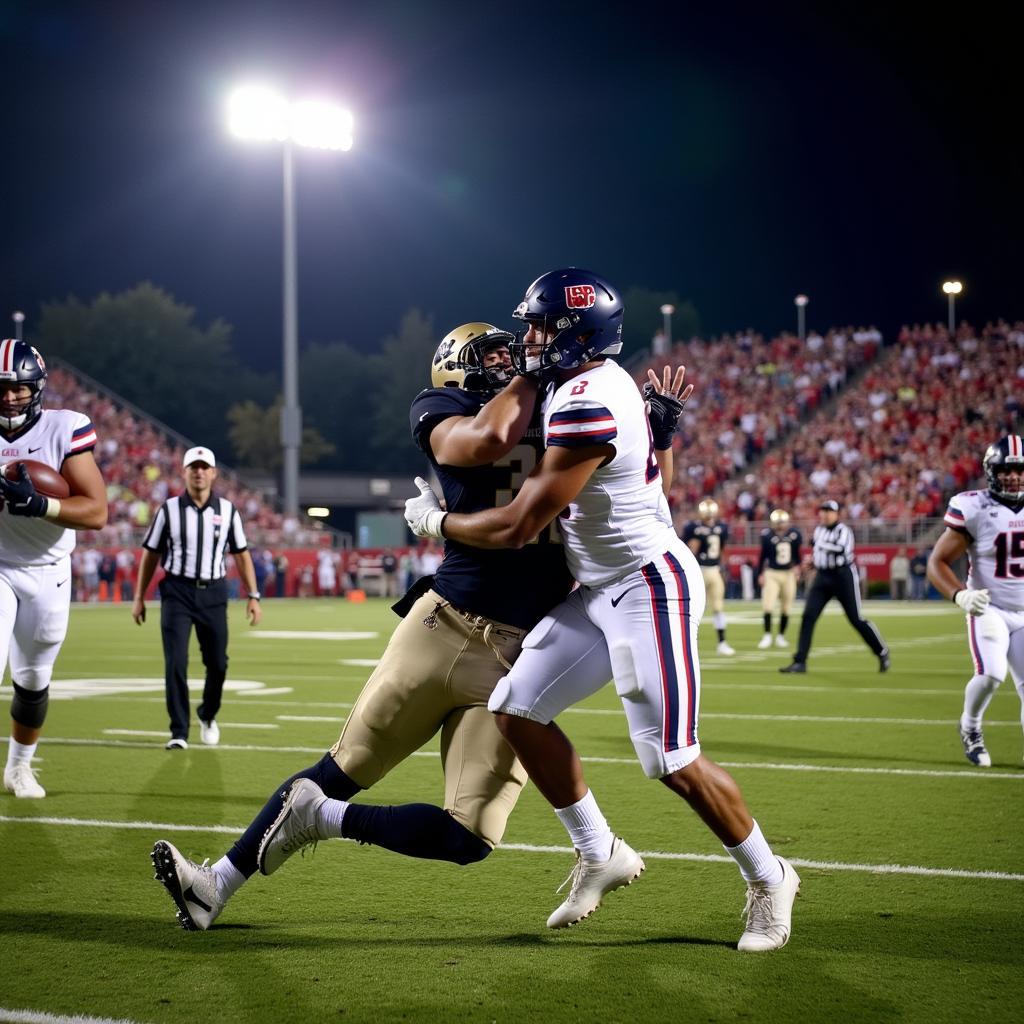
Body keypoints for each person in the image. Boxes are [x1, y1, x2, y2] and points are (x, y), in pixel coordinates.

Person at [405, 269, 800, 953]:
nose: (527, 339)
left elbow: (520, 525)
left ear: (575, 334)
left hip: (649, 586)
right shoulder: (580, 383)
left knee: (671, 760)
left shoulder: (587, 396)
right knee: (516, 706)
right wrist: (663, 436)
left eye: (540, 327)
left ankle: (770, 878)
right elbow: (651, 479)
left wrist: (436, 523)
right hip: (598, 587)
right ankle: (599, 851)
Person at [149, 322, 573, 932]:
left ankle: (322, 820)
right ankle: (214, 883)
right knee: (343, 766)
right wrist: (536, 371)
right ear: (454, 367)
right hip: (443, 625)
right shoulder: (443, 407)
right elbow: (486, 440)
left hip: (520, 654)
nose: (511, 362)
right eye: (495, 356)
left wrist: (654, 427)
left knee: (472, 836)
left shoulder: (564, 399)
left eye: (515, 352)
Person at [0, 339, 108, 798]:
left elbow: (97, 511)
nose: (9, 398)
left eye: (19, 389)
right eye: (1, 388)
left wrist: (41, 505)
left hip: (49, 568)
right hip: (0, 563)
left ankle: (19, 768)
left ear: (37, 388)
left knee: (33, 679)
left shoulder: (65, 428)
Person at [132, 446, 263, 749]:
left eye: (205, 467)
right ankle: (179, 731)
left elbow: (241, 555)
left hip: (214, 593)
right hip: (177, 591)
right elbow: (150, 554)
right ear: (185, 472)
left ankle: (207, 714)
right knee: (175, 662)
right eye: (194, 467)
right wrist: (139, 595)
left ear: (214, 473)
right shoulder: (168, 510)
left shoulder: (228, 510)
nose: (199, 472)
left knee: (217, 663)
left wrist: (253, 595)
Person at [927, 436, 1024, 768]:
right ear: (991, 471)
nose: (1013, 477)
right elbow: (937, 562)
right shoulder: (974, 507)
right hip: (989, 607)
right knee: (991, 674)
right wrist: (960, 595)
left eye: (1019, 470)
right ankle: (970, 726)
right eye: (1006, 470)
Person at [779, 500, 889, 674]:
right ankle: (800, 661)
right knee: (808, 617)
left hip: (842, 576)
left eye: (829, 511)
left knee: (855, 619)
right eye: (823, 511)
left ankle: (881, 651)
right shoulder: (819, 530)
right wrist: (812, 563)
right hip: (823, 576)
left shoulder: (843, 531)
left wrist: (818, 544)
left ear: (837, 514)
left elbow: (841, 551)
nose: (825, 514)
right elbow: (819, 554)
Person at [682, 499, 735, 655]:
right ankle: (685, 643)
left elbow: (723, 549)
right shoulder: (693, 528)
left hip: (714, 570)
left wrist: (724, 567)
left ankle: (722, 643)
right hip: (697, 570)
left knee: (718, 607)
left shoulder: (721, 528)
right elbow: (686, 548)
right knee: (691, 608)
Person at [756, 508, 802, 649]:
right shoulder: (767, 535)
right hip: (772, 573)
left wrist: (798, 567)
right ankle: (767, 635)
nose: (780, 525)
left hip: (788, 574)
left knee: (786, 607)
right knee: (768, 605)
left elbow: (797, 555)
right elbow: (762, 556)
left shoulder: (794, 534)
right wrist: (761, 573)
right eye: (778, 522)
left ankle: (781, 636)